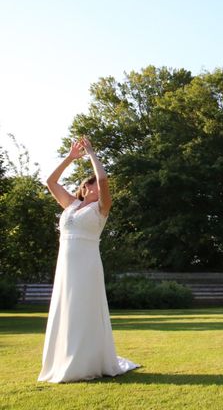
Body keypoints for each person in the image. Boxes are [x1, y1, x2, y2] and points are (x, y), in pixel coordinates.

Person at [39, 137, 139, 383]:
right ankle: (64, 360)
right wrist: (71, 157)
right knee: (67, 308)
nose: (96, 187)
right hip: (66, 266)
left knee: (84, 308)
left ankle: (86, 362)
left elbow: (104, 179)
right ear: (83, 189)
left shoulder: (100, 210)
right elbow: (50, 181)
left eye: (97, 186)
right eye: (91, 185)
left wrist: (92, 153)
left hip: (87, 265)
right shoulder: (70, 205)